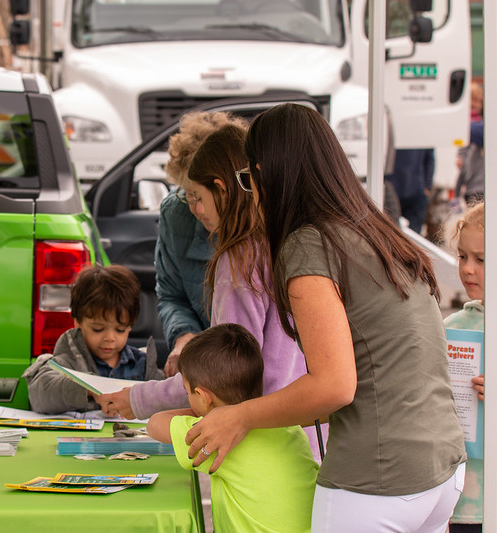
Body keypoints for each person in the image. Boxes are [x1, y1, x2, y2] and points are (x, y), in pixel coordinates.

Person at [187, 103, 466, 532]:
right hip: (440, 470)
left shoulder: (308, 244)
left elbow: (333, 386)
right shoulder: (374, 230)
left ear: (269, 173)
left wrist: (239, 416)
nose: (251, 191)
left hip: (378, 479)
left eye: (249, 178)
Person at [98, 122, 327, 463]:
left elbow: (221, 372)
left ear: (221, 187)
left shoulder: (238, 263)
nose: (193, 209)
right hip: (304, 436)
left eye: (196, 197)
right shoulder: (289, 241)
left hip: (253, 443)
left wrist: (137, 400)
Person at [148, 323, 318, 532]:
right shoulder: (289, 427)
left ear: (203, 397)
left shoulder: (220, 436)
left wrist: (209, 417)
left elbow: (155, 424)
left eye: (187, 393)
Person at [157, 111, 242, 377]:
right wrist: (185, 338)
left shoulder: (263, 229)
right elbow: (172, 296)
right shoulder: (175, 212)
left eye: (199, 195)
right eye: (187, 194)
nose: (195, 207)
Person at [23, 264, 164, 413]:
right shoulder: (66, 362)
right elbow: (39, 396)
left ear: (131, 325)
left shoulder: (143, 366)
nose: (110, 338)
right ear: (78, 322)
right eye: (98, 329)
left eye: (120, 329)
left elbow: (167, 398)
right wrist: (87, 387)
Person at [445, 201, 486, 533]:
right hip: (459, 504)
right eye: (462, 257)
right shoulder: (452, 326)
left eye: (481, 260)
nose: (468, 269)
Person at [384, 147, 435, 233]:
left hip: (404, 190)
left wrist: (427, 186)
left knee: (394, 232)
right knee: (410, 234)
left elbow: (429, 159)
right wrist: (427, 186)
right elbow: (430, 159)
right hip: (411, 189)